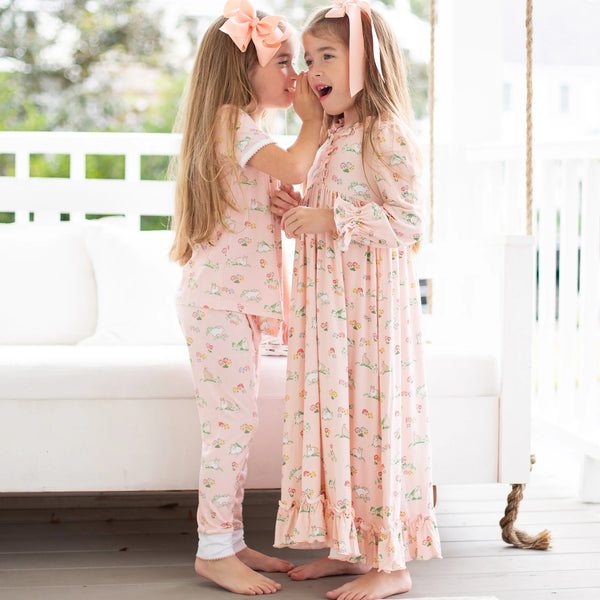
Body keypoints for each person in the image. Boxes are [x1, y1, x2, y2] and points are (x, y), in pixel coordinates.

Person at [271, 2, 442, 598]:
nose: (312, 70)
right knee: (338, 422)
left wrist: (332, 216)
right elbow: (333, 215)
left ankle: (391, 563)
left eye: (326, 56)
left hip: (369, 314)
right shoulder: (333, 137)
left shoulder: (386, 134)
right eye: (306, 58)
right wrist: (300, 215)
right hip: (329, 312)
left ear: (365, 61)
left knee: (371, 422)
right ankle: (352, 549)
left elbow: (410, 221)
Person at [169, 0, 323, 595]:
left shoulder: (243, 128)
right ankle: (211, 549)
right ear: (242, 72)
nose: (296, 75)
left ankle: (229, 540)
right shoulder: (234, 121)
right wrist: (312, 120)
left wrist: (282, 206)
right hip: (219, 303)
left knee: (239, 425)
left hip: (235, 301)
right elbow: (292, 160)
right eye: (284, 61)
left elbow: (268, 191)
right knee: (228, 430)